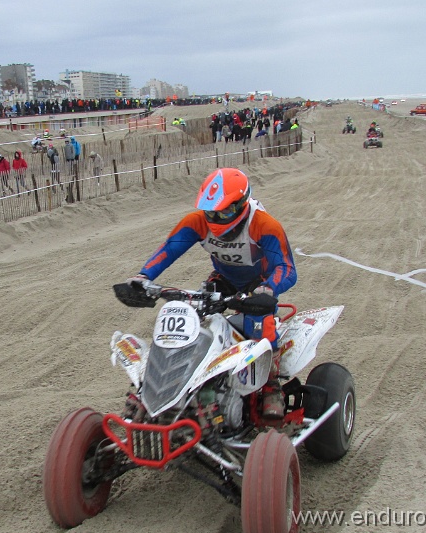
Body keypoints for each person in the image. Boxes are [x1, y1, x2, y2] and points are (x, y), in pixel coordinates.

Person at [124, 167, 297, 418]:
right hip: (223, 279)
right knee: (193, 317)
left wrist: (269, 288)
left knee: (259, 322)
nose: (216, 218)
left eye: (224, 211)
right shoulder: (198, 222)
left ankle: (271, 386)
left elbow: (287, 267)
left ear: (241, 205)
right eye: (211, 211)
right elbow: (169, 249)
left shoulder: (263, 224)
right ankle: (170, 386)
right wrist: (143, 277)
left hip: (258, 283)